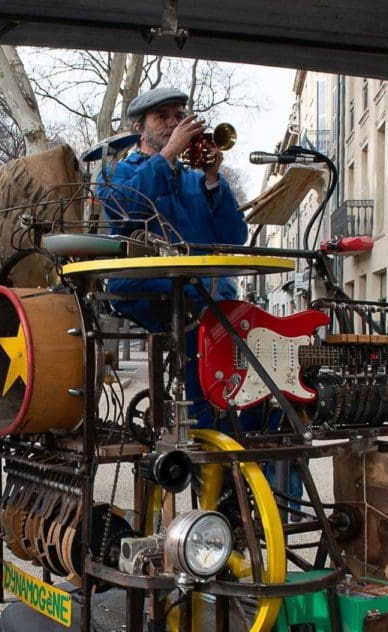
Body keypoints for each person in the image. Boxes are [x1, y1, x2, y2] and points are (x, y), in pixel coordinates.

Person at [100, 87, 248, 426]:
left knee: (246, 320)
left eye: (179, 116)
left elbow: (234, 237)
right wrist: (167, 154)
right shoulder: (118, 172)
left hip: (205, 294)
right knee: (207, 319)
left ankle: (239, 428)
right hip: (148, 287)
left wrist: (212, 178)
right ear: (139, 126)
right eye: (162, 116)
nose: (173, 122)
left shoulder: (196, 179)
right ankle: (209, 424)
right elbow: (125, 209)